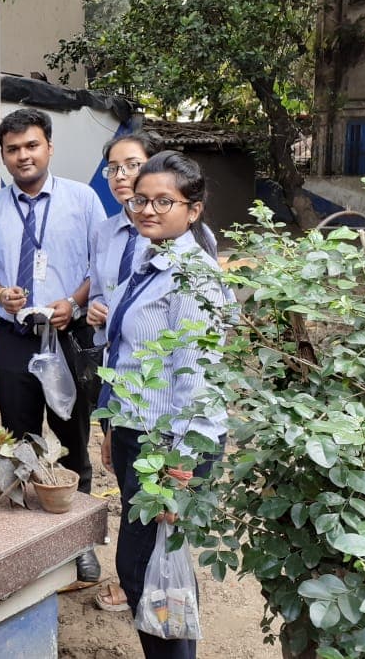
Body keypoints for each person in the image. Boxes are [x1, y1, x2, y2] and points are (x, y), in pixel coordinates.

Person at [98, 151, 228, 658]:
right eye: (140, 199)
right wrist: (113, 426)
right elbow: (129, 355)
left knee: (148, 568)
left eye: (163, 201)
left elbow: (197, 374)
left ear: (192, 210)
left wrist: (181, 464)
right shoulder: (154, 261)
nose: (147, 210)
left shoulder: (194, 278)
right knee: (149, 566)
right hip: (139, 432)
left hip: (172, 446)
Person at [0, 107, 106, 582]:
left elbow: (99, 268)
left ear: (49, 147)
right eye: (13, 149)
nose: (23, 156)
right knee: (23, 440)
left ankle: (79, 542)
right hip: (14, 340)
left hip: (68, 338)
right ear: (4, 157)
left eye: (31, 146)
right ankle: (32, 540)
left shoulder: (84, 200)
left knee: (73, 441)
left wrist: (72, 301)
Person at [86, 130, 164, 347]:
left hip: (158, 361)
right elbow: (98, 293)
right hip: (112, 357)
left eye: (132, 165)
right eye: (112, 168)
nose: (119, 176)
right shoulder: (102, 233)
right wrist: (96, 308)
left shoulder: (180, 231)